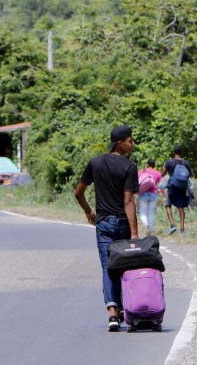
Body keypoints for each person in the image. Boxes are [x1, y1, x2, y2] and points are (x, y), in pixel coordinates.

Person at [74, 125, 140, 332]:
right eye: (130, 140)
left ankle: (113, 312)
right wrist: (135, 233)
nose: (133, 144)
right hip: (122, 224)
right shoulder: (129, 167)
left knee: (107, 266)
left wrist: (89, 212)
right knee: (124, 267)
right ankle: (126, 309)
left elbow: (78, 192)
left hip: (103, 224)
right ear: (120, 143)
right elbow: (128, 201)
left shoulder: (95, 163)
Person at [161, 144, 192, 235]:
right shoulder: (186, 163)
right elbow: (189, 175)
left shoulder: (170, 162)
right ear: (181, 153)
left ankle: (172, 225)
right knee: (181, 208)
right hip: (182, 188)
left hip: (172, 187)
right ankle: (182, 228)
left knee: (167, 205)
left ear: (173, 152)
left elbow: (162, 174)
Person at [137, 158, 163, 236]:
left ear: (147, 164)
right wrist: (164, 195)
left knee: (143, 213)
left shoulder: (142, 171)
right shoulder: (158, 173)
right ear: (154, 165)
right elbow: (161, 185)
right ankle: (150, 229)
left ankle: (146, 225)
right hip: (153, 194)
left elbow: (136, 181)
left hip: (143, 194)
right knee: (151, 212)